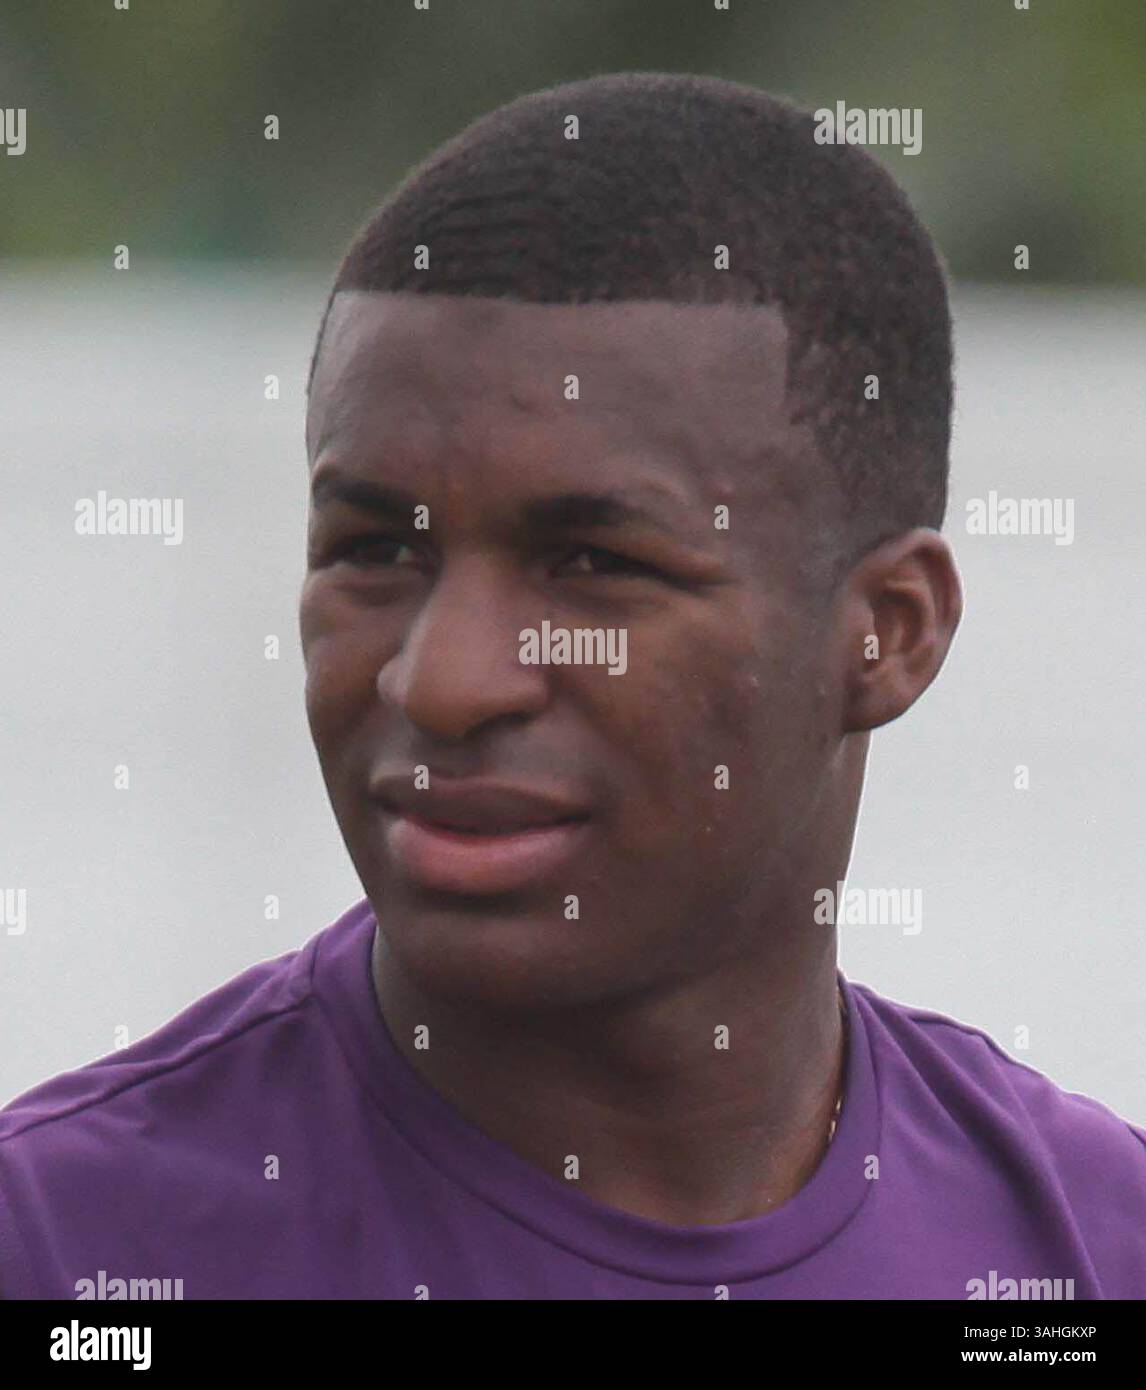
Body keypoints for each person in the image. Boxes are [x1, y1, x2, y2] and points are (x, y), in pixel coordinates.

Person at [2, 72, 1143, 1300]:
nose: (441, 682)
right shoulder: (68, 1250)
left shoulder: (1085, 1250)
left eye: (593, 564)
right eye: (375, 549)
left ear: (889, 633)